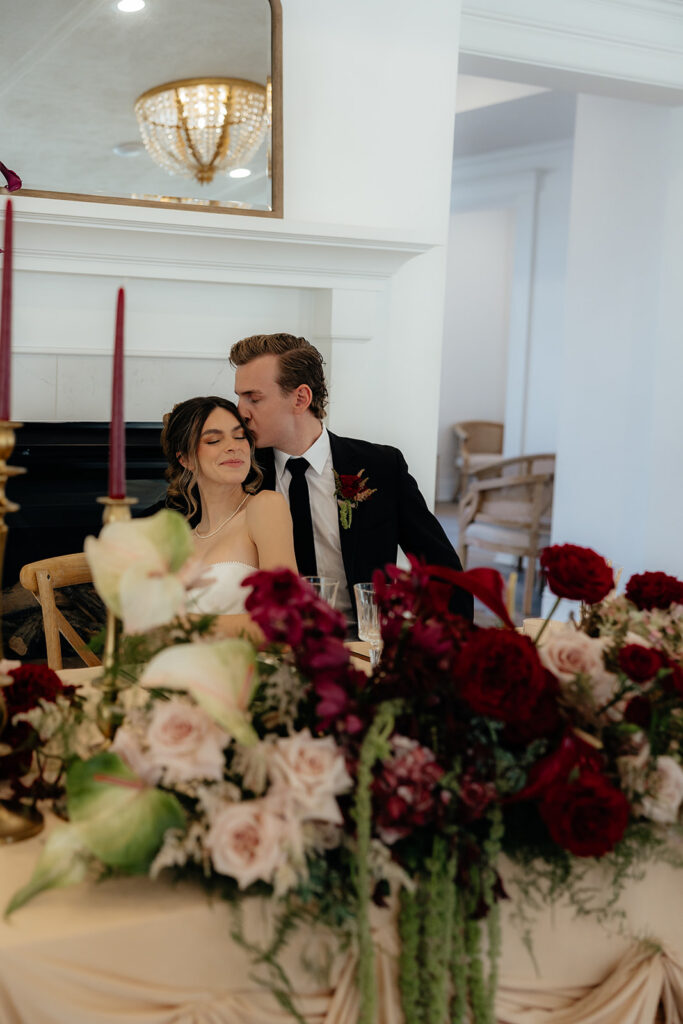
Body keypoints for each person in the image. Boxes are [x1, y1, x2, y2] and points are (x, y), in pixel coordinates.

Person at [229, 333, 473, 621]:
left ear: (301, 398)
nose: (240, 411)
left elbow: (442, 569)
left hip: (362, 641)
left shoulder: (381, 467)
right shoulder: (240, 474)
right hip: (273, 639)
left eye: (253, 398)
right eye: (239, 397)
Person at [160, 396, 297, 638]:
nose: (233, 446)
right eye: (214, 440)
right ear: (186, 459)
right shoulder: (180, 543)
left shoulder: (264, 507)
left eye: (240, 436)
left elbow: (283, 619)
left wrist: (184, 625)